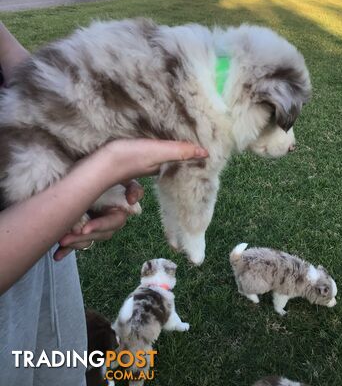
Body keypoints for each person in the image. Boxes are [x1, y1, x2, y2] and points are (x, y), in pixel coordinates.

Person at [0, 22, 208, 386]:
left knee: (57, 364)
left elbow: (26, 75)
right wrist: (100, 170)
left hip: (37, 250)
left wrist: (82, 169)